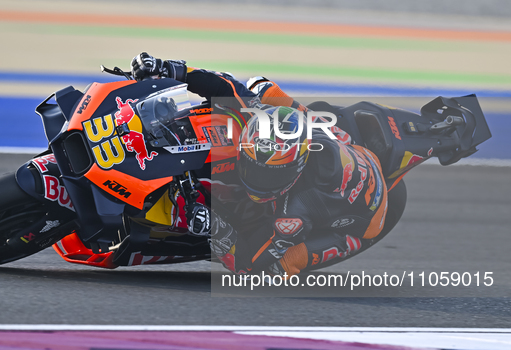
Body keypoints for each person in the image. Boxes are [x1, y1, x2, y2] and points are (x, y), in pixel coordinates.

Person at [130, 52, 407, 277]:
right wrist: (169, 69)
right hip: (348, 148)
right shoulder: (273, 118)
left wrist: (215, 226)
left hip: (366, 217)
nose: (254, 177)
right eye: (252, 166)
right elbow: (228, 86)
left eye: (266, 175)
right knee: (262, 91)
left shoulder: (294, 214)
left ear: (293, 172)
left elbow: (247, 263)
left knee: (278, 268)